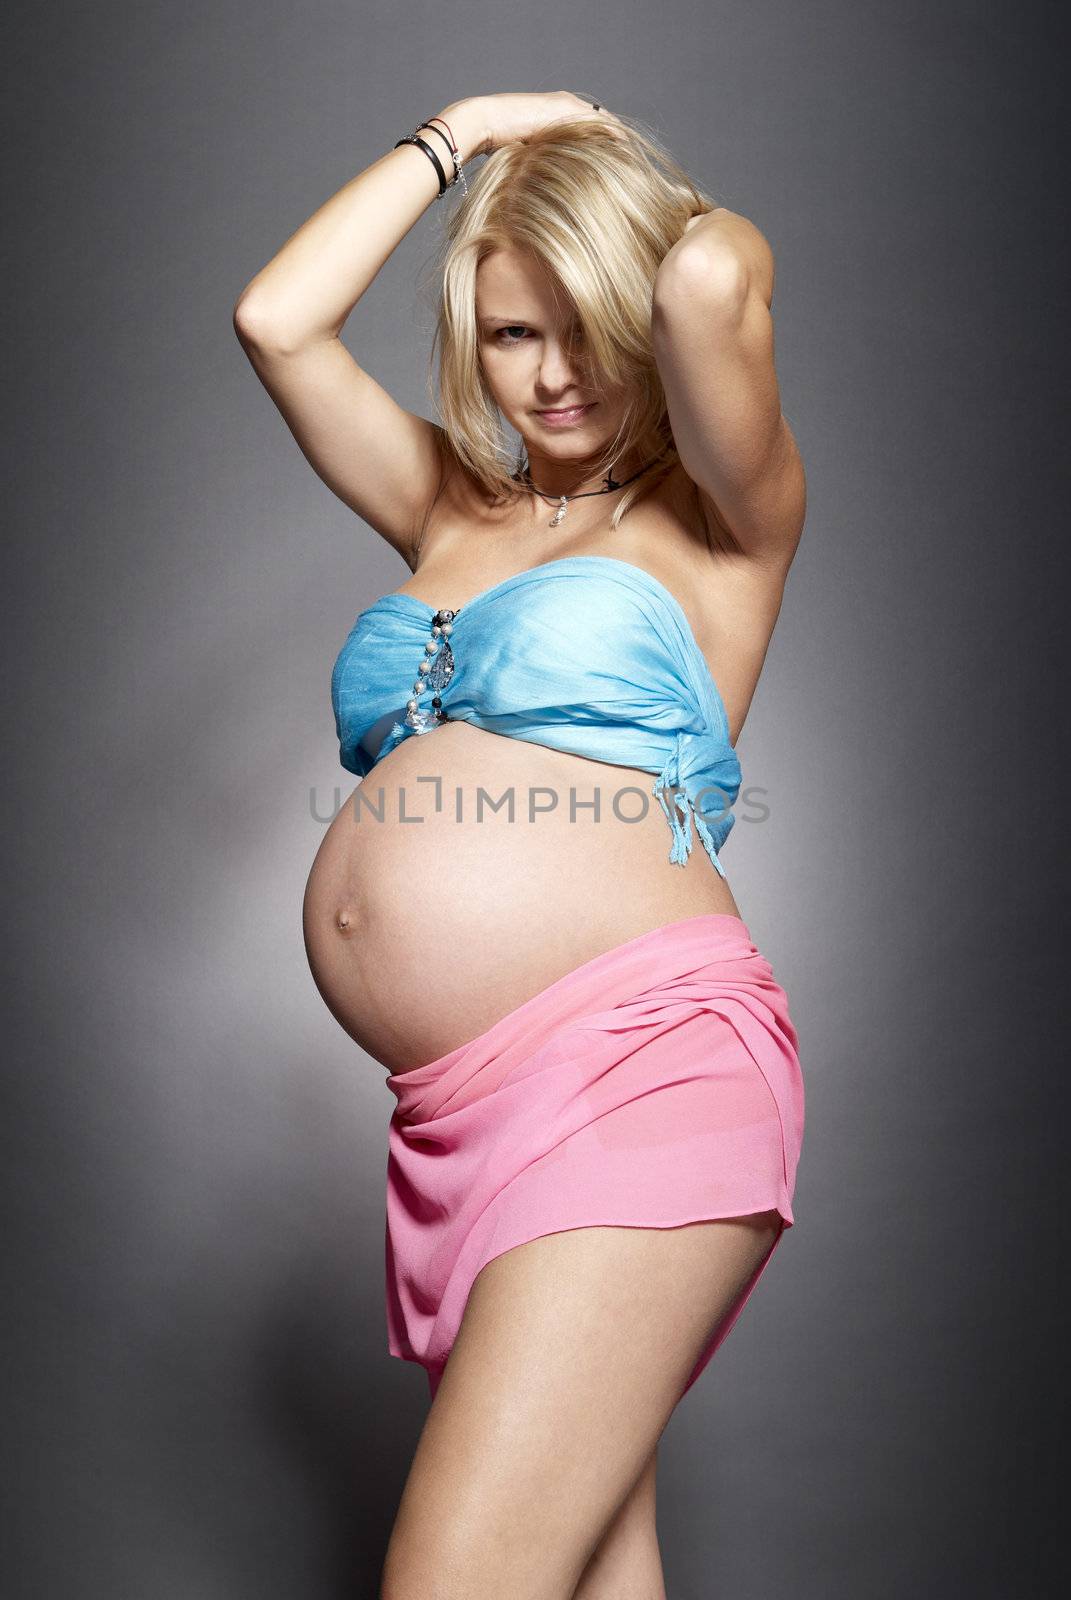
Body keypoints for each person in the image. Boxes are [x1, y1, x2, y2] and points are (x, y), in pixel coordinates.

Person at [234, 90, 808, 1600]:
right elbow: (276, 321)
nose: (555, 377)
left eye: (588, 326)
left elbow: (709, 281)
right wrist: (463, 134)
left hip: (642, 1061)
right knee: (597, 1576)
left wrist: (606, 180)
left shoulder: (724, 523)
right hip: (449, 1114)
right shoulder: (447, 505)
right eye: (509, 334)